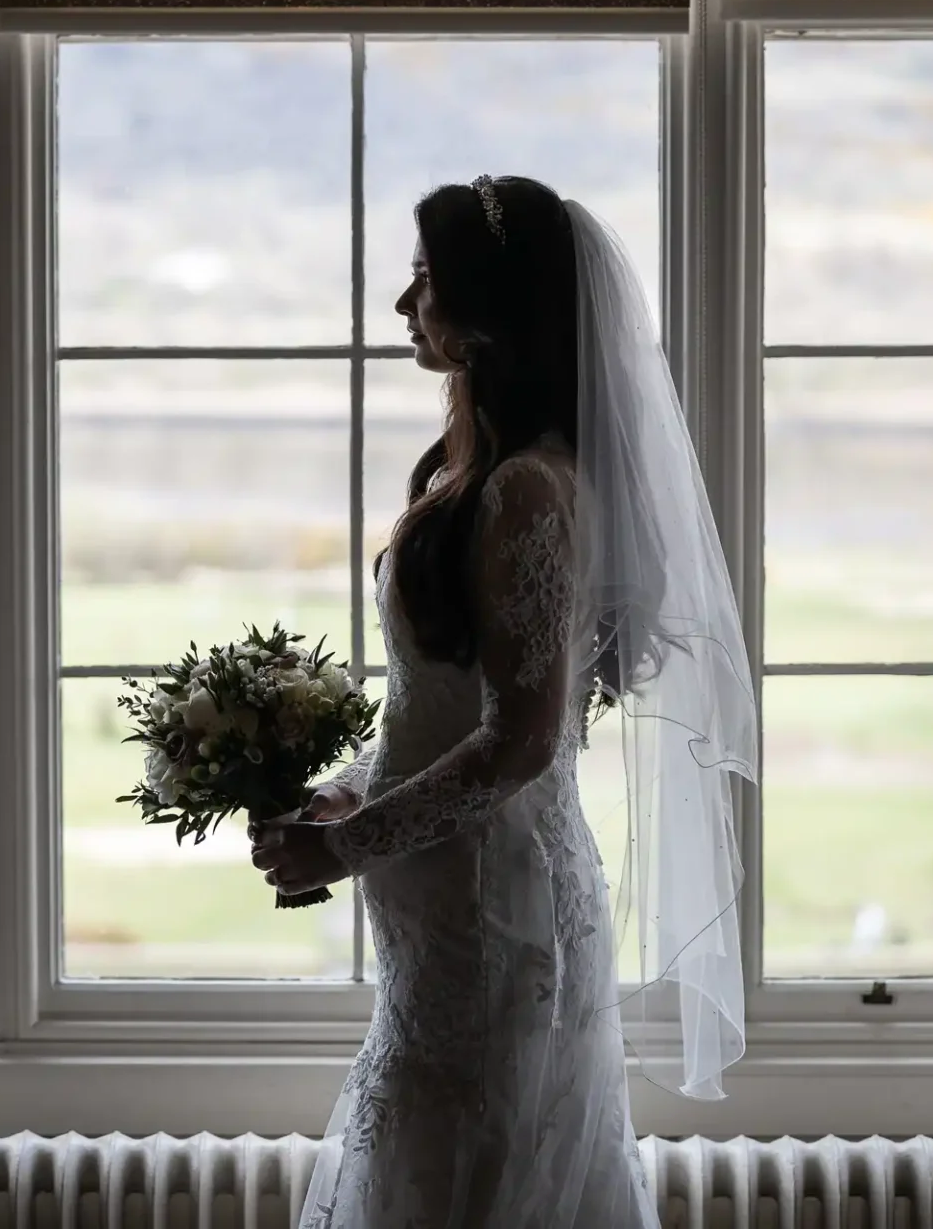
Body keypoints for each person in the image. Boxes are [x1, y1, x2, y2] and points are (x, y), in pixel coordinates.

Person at [250, 175, 758, 1228]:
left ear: (485, 317)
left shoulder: (531, 488)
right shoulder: (484, 474)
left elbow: (525, 739)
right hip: (450, 903)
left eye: (425, 281)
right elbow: (432, 705)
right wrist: (351, 793)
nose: (403, 305)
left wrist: (349, 848)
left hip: (494, 911)